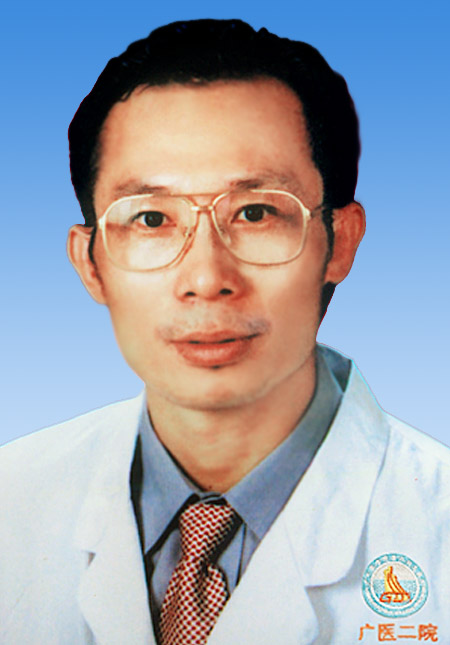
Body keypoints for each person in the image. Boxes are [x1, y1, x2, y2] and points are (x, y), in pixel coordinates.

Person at [1, 18, 449, 645]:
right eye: (151, 219)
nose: (207, 278)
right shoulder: (10, 501)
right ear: (90, 263)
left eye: (256, 212)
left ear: (340, 242)